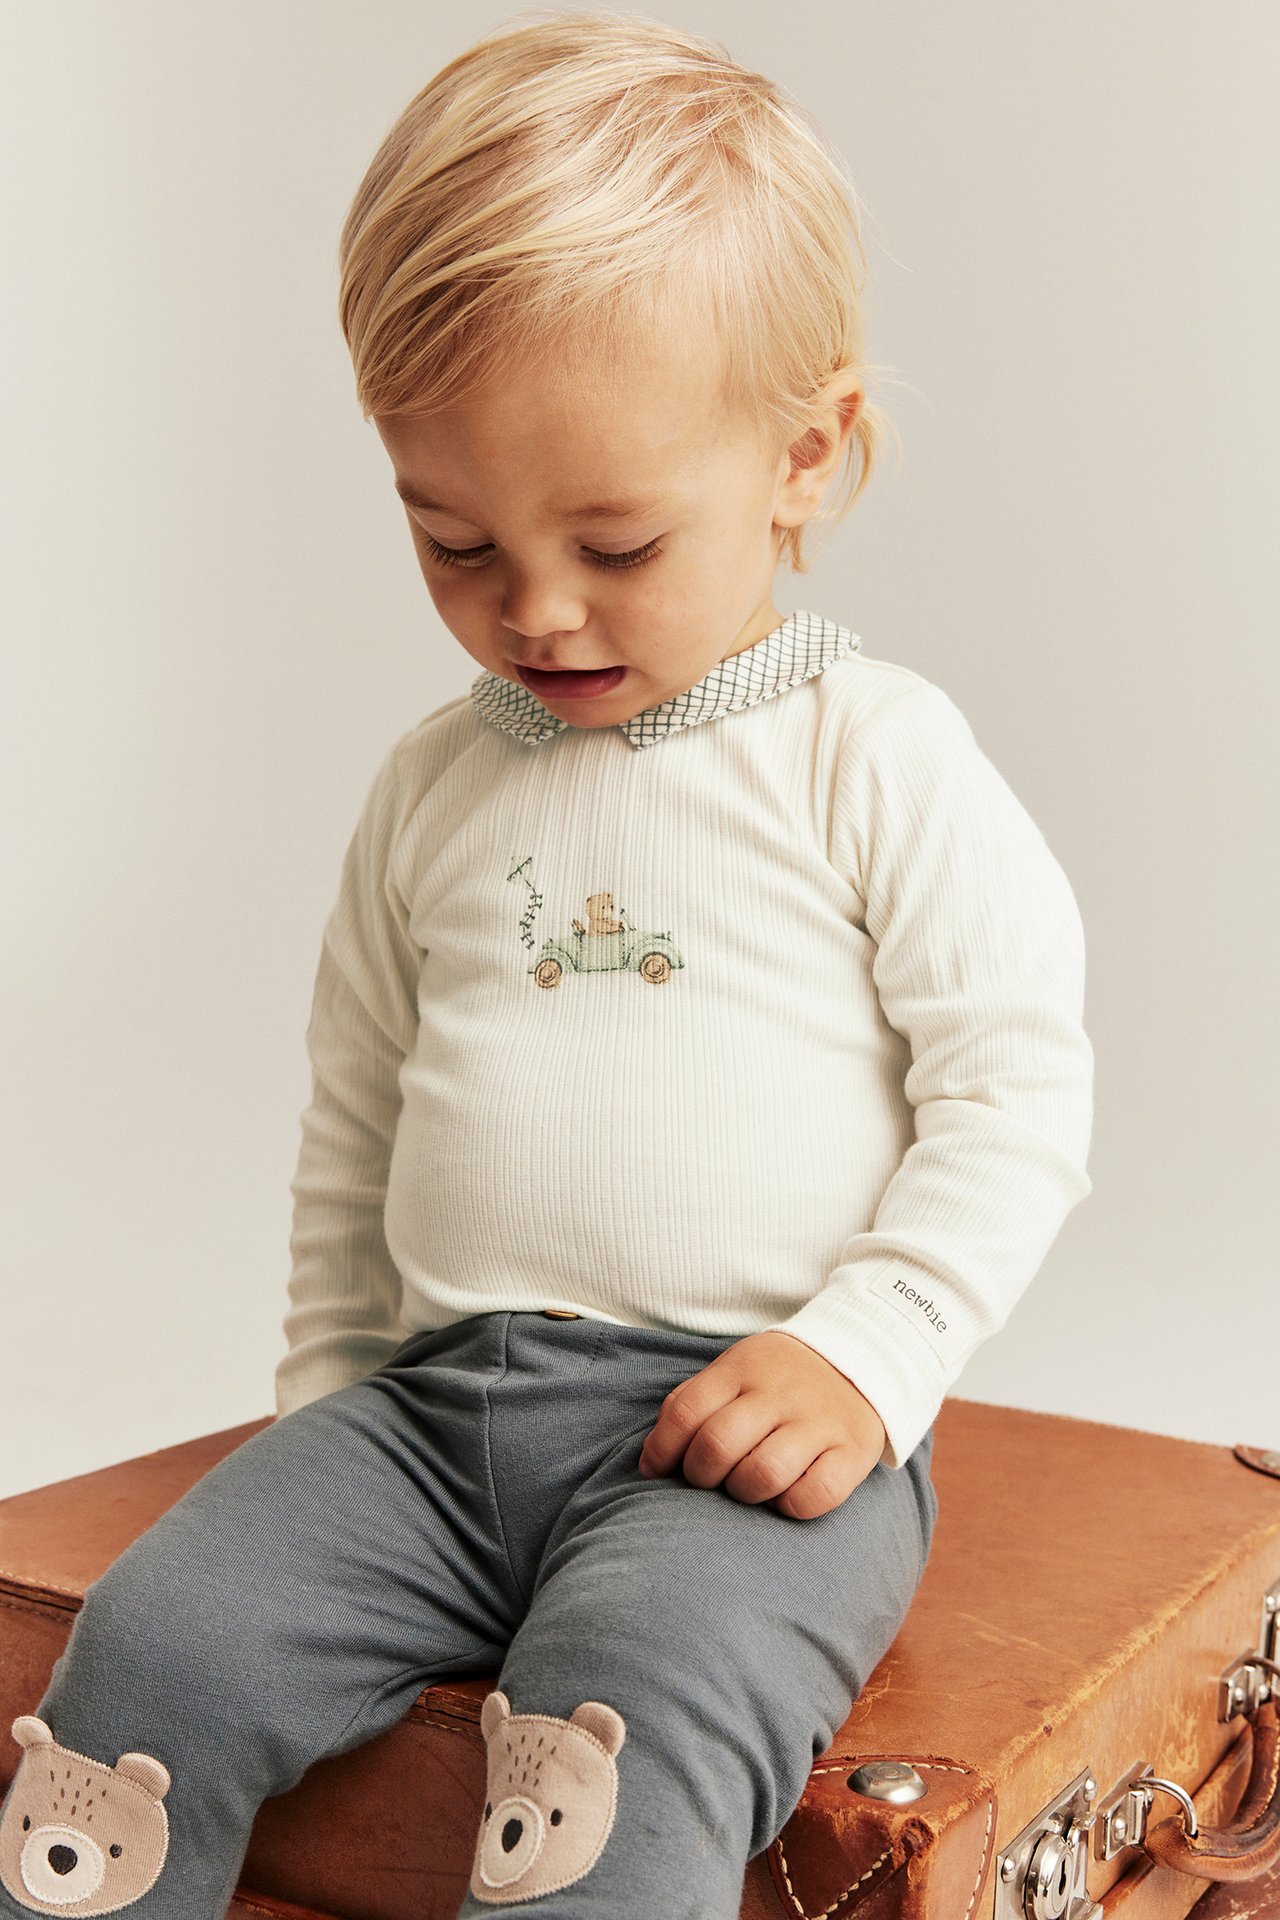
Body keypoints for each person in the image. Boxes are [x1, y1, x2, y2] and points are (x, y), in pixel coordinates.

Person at [0, 11, 1093, 1918]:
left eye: (615, 537)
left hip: (736, 1443)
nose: (536, 607)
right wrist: (321, 1407)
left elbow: (1017, 1089)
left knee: (624, 1719)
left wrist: (870, 1354)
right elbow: (356, 1121)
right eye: (453, 540)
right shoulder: (431, 786)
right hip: (420, 1427)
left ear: (804, 455)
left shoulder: (871, 750)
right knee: (149, 1670)